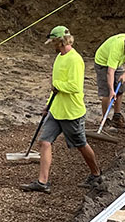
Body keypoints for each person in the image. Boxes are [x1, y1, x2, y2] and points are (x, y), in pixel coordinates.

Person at [21, 26, 102, 193]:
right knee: (44, 141)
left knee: (81, 144)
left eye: (53, 42)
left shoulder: (75, 59)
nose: (52, 45)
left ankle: (96, 175)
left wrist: (54, 84)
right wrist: (48, 104)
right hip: (56, 109)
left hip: (71, 112)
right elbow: (55, 89)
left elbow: (74, 86)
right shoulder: (59, 57)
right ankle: (42, 182)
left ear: (60, 41)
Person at [93, 32, 125, 130]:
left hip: (118, 62)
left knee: (120, 89)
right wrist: (111, 90)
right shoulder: (117, 48)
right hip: (103, 62)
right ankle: (105, 119)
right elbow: (110, 72)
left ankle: (117, 117)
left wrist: (124, 74)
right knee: (107, 93)